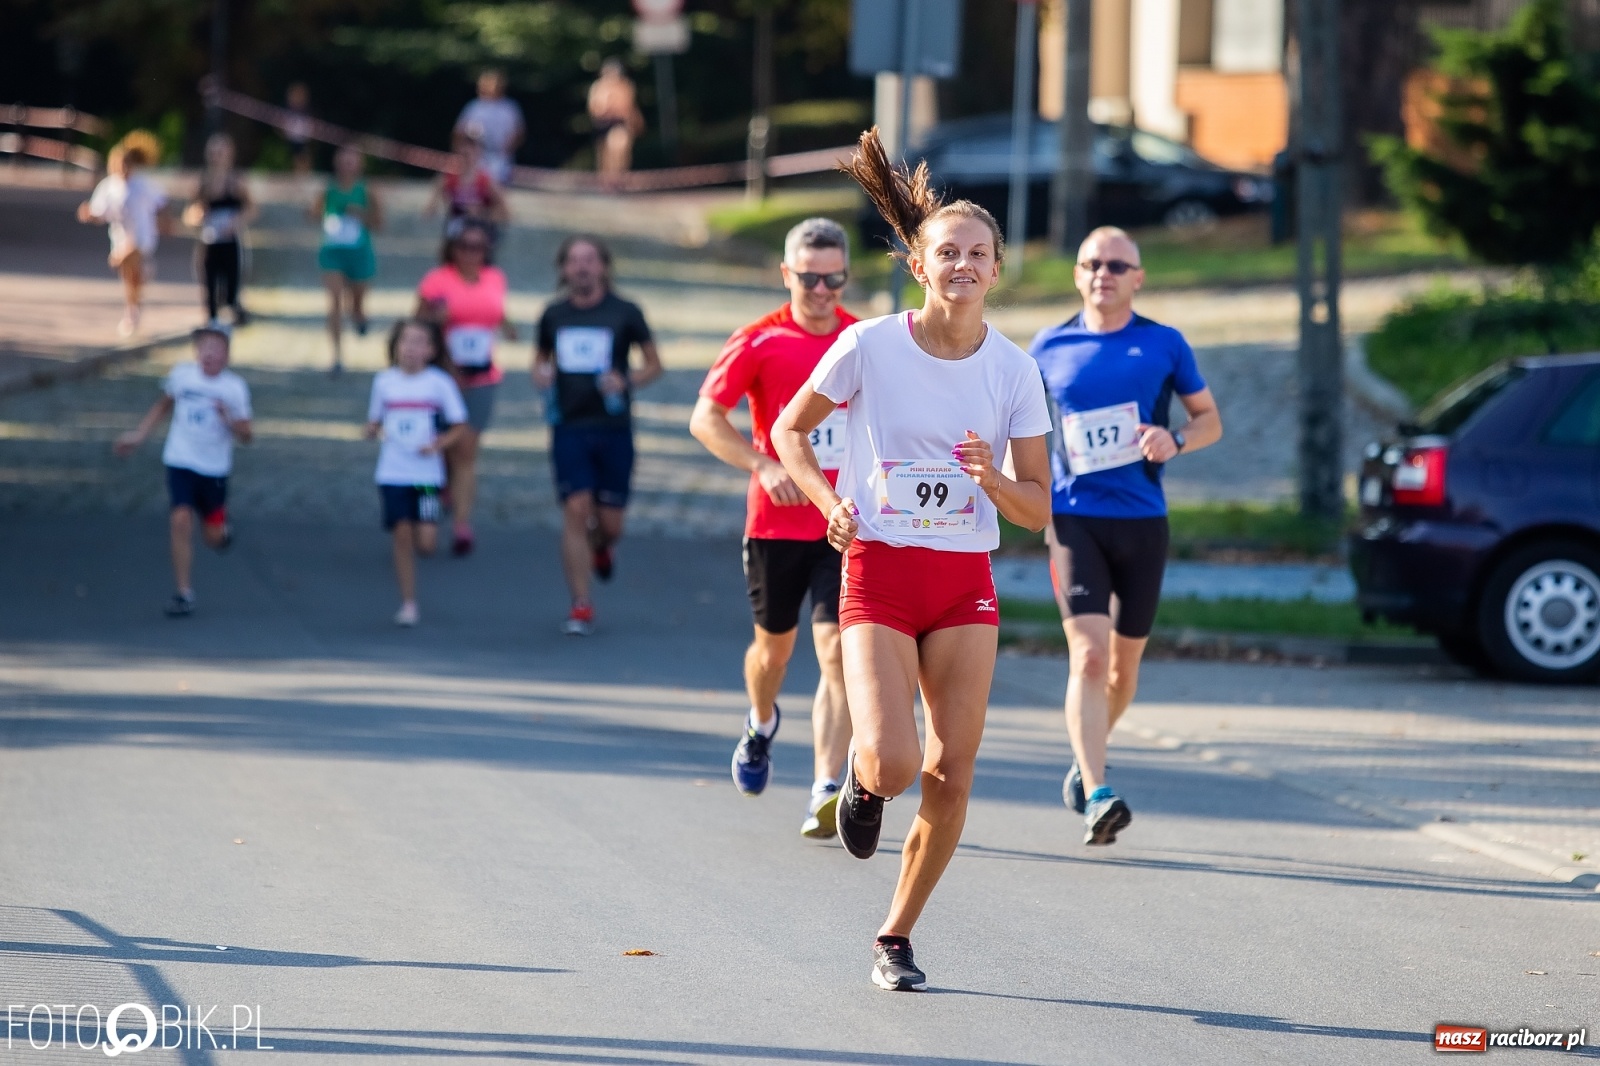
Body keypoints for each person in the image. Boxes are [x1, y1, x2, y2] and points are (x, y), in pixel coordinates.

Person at [772, 129, 1052, 991]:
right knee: (894, 764)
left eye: (978, 254)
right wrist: (832, 507)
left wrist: (992, 478)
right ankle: (861, 784)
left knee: (950, 770)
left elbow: (1039, 508)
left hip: (963, 580)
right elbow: (788, 430)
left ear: (995, 270)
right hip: (883, 570)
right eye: (947, 253)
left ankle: (894, 935)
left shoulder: (1014, 371)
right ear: (918, 264)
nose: (962, 265)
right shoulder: (870, 347)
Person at [1029, 225, 1222, 845]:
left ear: (1138, 277)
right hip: (1074, 516)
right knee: (1087, 654)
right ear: (1077, 274)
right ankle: (1098, 788)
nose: (1102, 274)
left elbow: (1209, 419)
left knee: (1123, 669)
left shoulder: (1164, 344)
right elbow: (1022, 426)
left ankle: (1087, 762)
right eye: (1091, 263)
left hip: (1142, 520)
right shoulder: (1049, 346)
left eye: (1117, 265)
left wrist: (1177, 439)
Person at [690, 218, 858, 836]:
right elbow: (706, 419)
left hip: (843, 522)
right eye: (809, 278)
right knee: (774, 652)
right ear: (787, 274)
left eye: (833, 277)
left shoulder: (861, 339)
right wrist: (761, 464)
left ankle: (826, 787)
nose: (821, 290)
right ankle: (760, 724)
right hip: (776, 526)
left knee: (838, 651)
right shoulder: (759, 341)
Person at [533, 236, 662, 636]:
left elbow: (653, 366)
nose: (582, 267)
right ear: (564, 269)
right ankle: (581, 604)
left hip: (613, 428)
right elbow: (539, 362)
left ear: (603, 266)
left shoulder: (625, 312)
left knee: (611, 524)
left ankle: (603, 547)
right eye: (574, 261)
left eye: (589, 260)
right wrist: (541, 375)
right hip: (569, 426)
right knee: (575, 509)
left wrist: (625, 380)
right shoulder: (553, 314)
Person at [113, 323, 253, 617]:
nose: (209, 354)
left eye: (216, 348)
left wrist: (228, 419)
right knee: (180, 518)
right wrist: (138, 436)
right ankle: (183, 592)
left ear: (227, 354)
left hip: (214, 469)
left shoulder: (234, 388)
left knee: (212, 537)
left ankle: (221, 532)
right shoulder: (182, 376)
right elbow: (163, 406)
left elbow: (247, 435)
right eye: (204, 347)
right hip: (180, 460)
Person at [416, 219, 515, 556]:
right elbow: (417, 326)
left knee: (467, 450)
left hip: (483, 377)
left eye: (479, 247)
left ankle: (461, 525)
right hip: (444, 378)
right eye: (464, 246)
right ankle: (437, 495)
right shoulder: (437, 281)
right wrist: (435, 319)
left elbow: (497, 315)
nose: (471, 254)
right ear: (452, 248)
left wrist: (509, 328)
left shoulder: (495, 279)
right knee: (443, 447)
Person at [365, 319, 469, 626]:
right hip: (393, 473)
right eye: (405, 342)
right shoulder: (384, 382)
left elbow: (459, 425)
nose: (411, 349)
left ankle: (436, 520)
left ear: (431, 350)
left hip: (426, 477)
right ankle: (408, 602)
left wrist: (439, 444)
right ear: (395, 347)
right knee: (402, 537)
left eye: (419, 342)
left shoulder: (439, 383)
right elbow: (375, 419)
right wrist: (371, 429)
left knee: (426, 542)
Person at [78, 132, 169, 338]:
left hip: (142, 237)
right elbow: (99, 213)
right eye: (118, 163)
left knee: (119, 261)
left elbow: (162, 201)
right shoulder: (109, 187)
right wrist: (88, 214)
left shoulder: (141, 185)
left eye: (126, 163)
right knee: (130, 278)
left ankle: (135, 301)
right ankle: (133, 309)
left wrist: (164, 221)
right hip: (120, 237)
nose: (122, 168)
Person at [314, 146, 383, 374]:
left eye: (351, 162)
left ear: (359, 165)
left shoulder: (367, 190)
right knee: (334, 302)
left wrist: (361, 215)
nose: (347, 167)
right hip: (333, 251)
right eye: (344, 162)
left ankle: (359, 316)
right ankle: (337, 356)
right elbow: (313, 214)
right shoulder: (328, 189)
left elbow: (379, 223)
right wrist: (326, 216)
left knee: (356, 303)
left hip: (359, 253)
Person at [183, 132, 256, 326]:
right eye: (214, 152)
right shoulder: (202, 183)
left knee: (231, 293)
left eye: (221, 152)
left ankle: (233, 320)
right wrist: (196, 216)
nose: (217, 156)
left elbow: (252, 208)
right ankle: (212, 331)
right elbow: (189, 213)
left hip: (231, 243)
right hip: (209, 243)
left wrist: (236, 221)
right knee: (209, 291)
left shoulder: (236, 182)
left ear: (230, 154)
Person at [425, 132, 509, 247]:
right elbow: (429, 210)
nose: (467, 150)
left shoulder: (486, 180)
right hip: (455, 235)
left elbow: (505, 214)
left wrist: (482, 214)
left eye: (472, 146)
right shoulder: (448, 177)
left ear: (479, 151)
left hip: (480, 236)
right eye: (464, 145)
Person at [454, 69, 524, 186]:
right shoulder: (474, 107)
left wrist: (506, 151)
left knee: (496, 190)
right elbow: (459, 132)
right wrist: (461, 153)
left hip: (500, 157)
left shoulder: (509, 108)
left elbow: (518, 133)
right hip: (475, 156)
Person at [587, 59, 643, 188]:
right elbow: (595, 109)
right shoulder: (598, 87)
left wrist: (636, 122)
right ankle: (607, 184)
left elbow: (630, 107)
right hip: (602, 124)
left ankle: (619, 178)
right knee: (604, 157)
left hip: (619, 124)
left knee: (619, 147)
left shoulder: (625, 86)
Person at [283, 82, 314, 177]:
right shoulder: (285, 113)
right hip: (288, 143)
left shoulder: (308, 113)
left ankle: (303, 175)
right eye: (294, 95)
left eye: (300, 95)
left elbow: (312, 129)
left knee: (303, 156)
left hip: (303, 142)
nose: (296, 98)